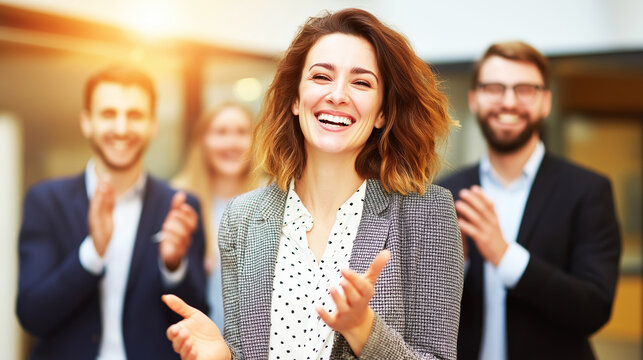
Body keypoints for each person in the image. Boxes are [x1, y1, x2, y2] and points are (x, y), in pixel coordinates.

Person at [162, 8, 464, 360]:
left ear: (382, 112)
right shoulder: (241, 219)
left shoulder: (427, 214)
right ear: (294, 98)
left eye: (361, 82)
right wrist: (224, 357)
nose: (338, 95)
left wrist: (363, 330)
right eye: (322, 77)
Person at [438, 41, 621, 359]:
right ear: (474, 100)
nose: (508, 102)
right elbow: (422, 313)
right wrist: (459, 264)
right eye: (494, 88)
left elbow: (594, 309)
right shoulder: (443, 194)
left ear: (546, 101)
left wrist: (504, 255)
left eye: (524, 89)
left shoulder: (588, 191)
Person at [16, 65, 208, 359]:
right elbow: (32, 315)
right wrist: (92, 253)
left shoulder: (179, 207)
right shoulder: (45, 200)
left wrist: (173, 267)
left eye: (134, 115)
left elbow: (196, 322)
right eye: (108, 114)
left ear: (153, 125)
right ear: (86, 122)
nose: (121, 128)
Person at [172, 102, 260, 331]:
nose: (231, 143)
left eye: (241, 132)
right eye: (220, 132)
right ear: (203, 140)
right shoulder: (178, 203)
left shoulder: (275, 202)